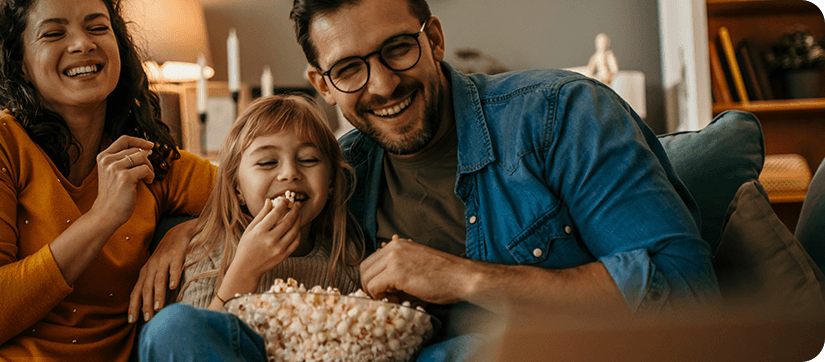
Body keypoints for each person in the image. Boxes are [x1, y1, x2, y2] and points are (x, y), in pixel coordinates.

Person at [295, 0, 720, 359]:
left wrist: (465, 278)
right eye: (349, 69)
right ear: (323, 85)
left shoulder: (561, 115)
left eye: (399, 48)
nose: (384, 85)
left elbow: (686, 289)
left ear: (435, 39)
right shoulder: (335, 179)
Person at [0, 0, 216, 360]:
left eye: (98, 27)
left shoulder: (146, 160)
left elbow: (258, 193)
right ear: (20, 63)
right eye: (54, 33)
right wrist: (102, 218)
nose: (82, 43)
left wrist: (189, 232)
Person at [137, 94, 364, 360]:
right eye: (268, 162)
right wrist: (246, 269)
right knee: (171, 325)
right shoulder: (209, 252)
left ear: (331, 183)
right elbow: (193, 341)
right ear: (237, 188)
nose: (290, 173)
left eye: (309, 159)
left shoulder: (345, 262)